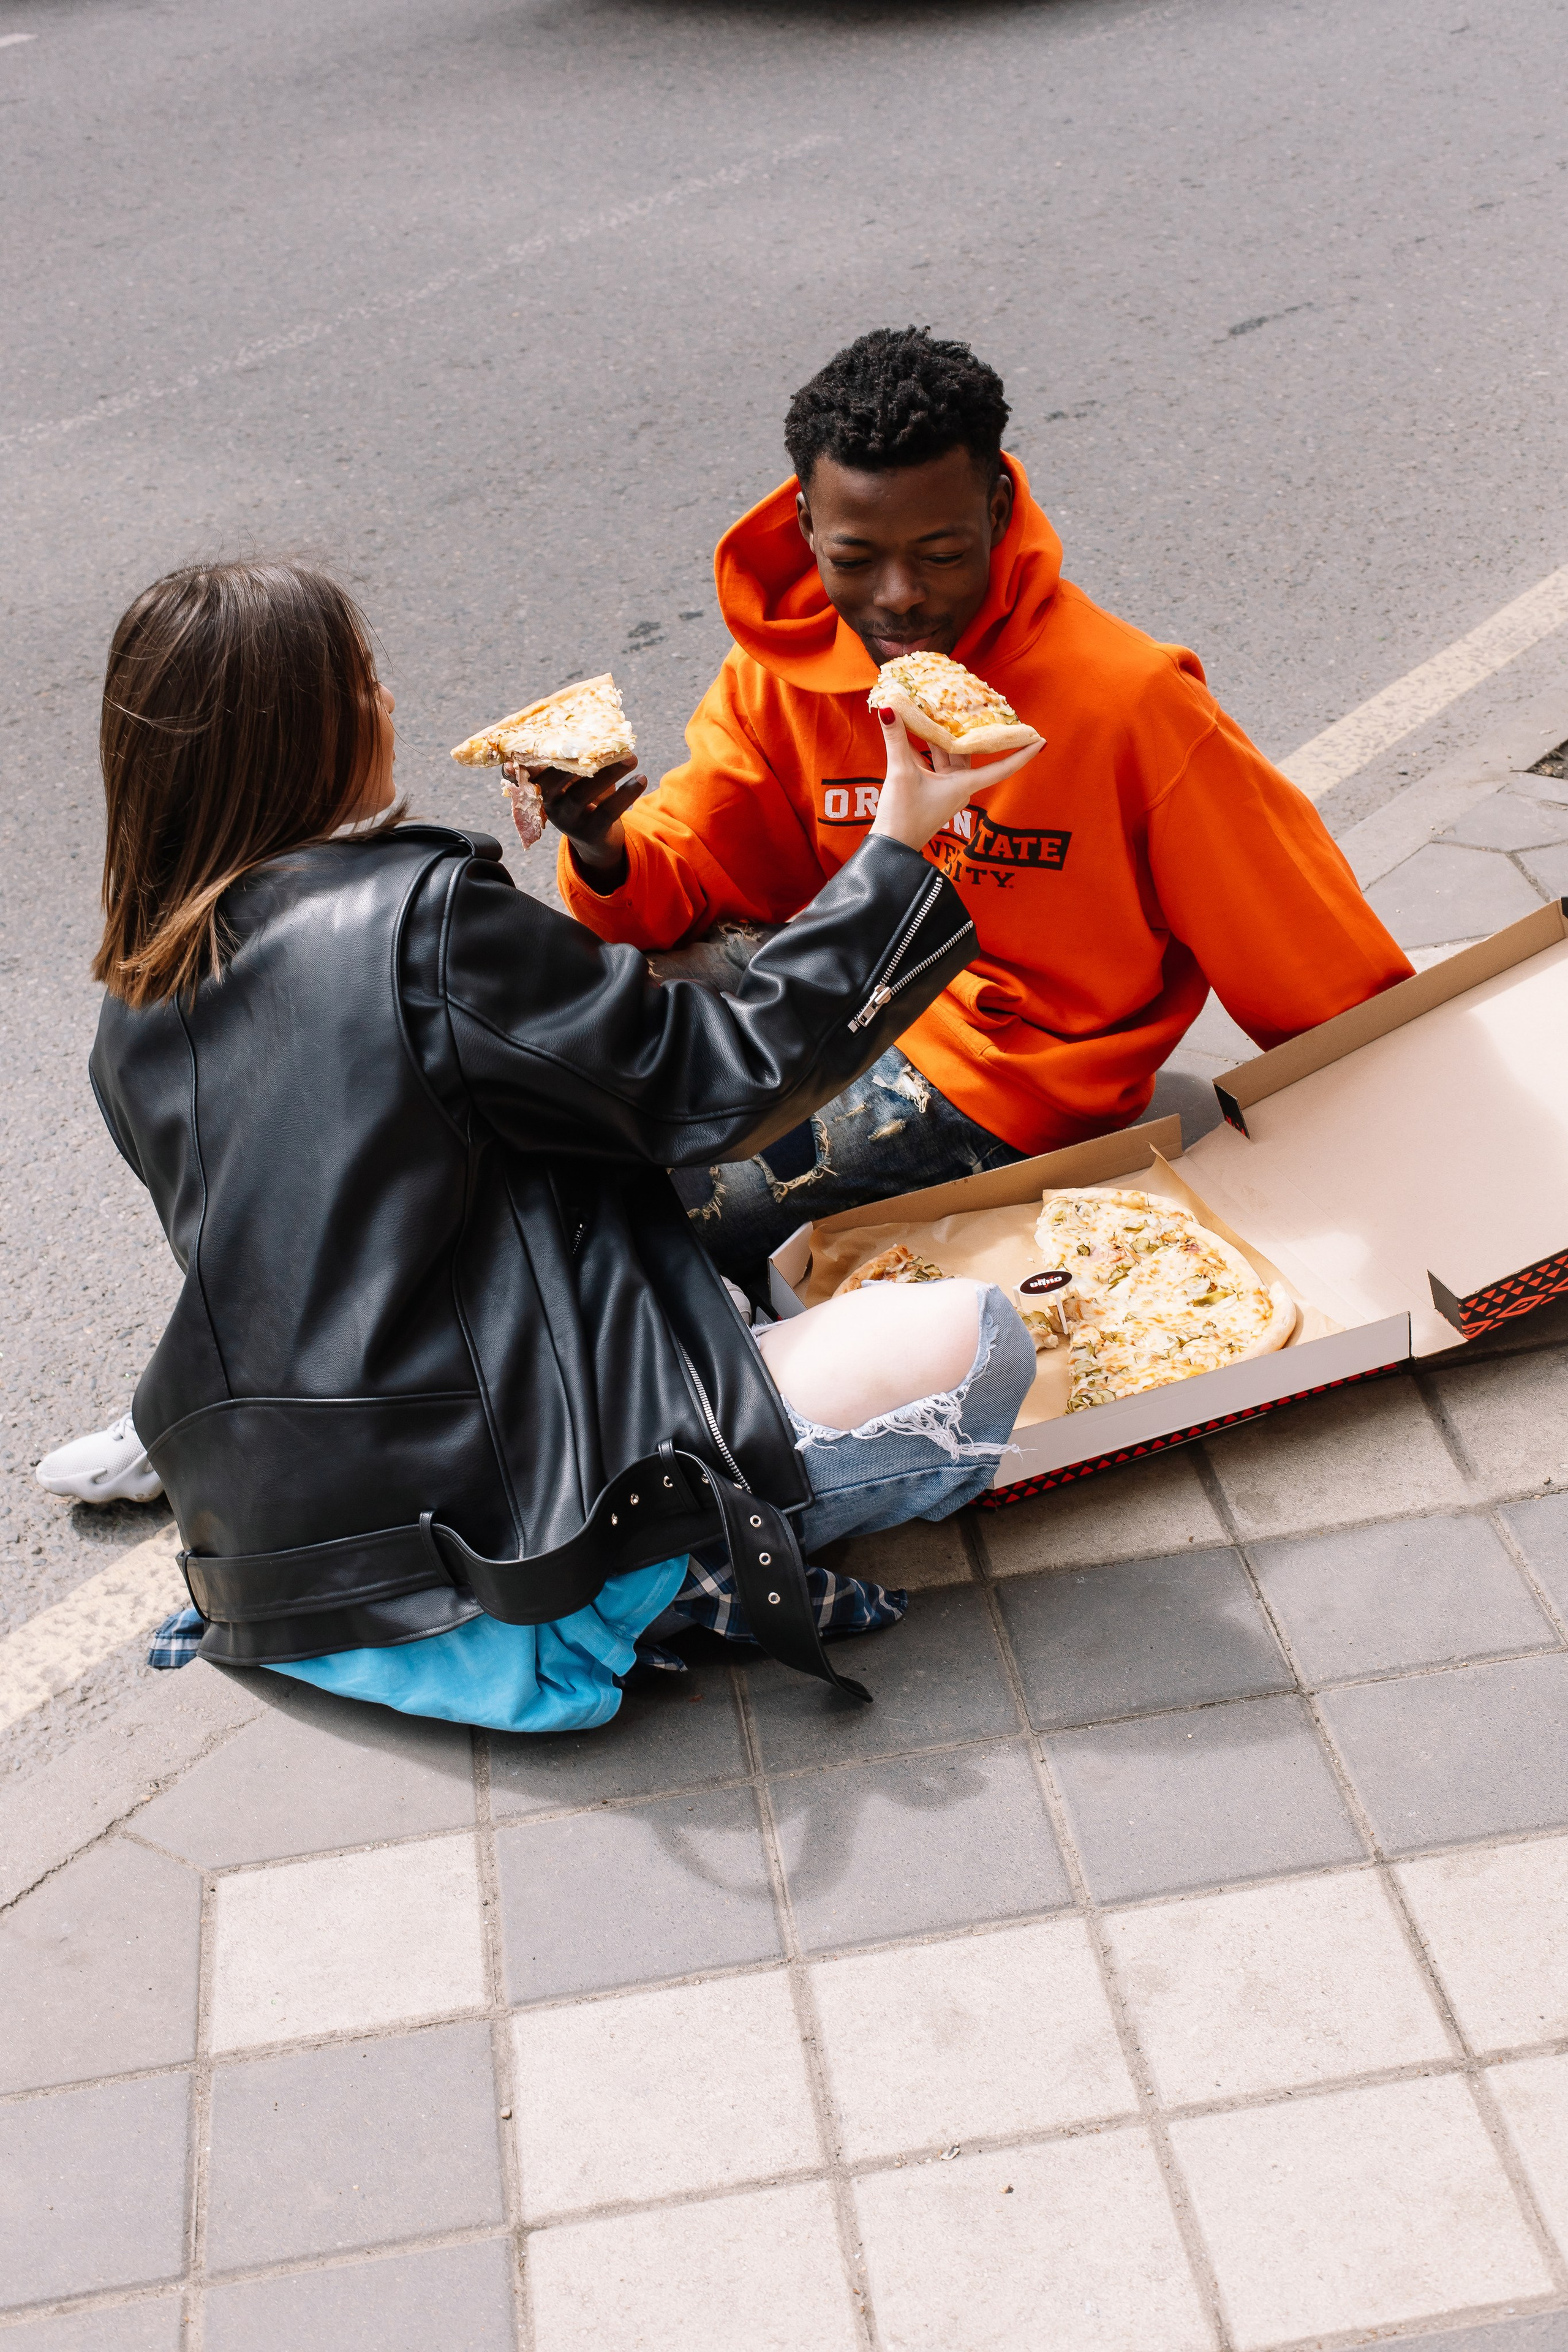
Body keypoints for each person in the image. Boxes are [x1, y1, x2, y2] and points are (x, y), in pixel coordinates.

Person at [37, 560, 1040, 1731]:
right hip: (515, 1544)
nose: (389, 700)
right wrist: (904, 838)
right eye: (366, 680)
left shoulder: (133, 1012)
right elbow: (726, 1077)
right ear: (303, 732)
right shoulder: (425, 923)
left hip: (280, 1554)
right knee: (976, 1340)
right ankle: (664, 1586)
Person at [540, 326, 1413, 1293]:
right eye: (856, 557)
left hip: (1007, 1075)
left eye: (943, 554)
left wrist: (1403, 1146)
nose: (899, 598)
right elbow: (690, 876)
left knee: (675, 1217)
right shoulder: (778, 674)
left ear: (997, 511)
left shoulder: (1127, 701)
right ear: (804, 529)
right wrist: (603, 845)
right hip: (837, 986)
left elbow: (1315, 966)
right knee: (565, 1072)